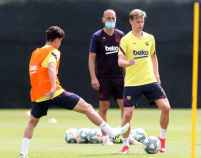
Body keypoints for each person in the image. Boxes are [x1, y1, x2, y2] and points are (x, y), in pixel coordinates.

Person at [19, 26, 129, 158]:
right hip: (54, 92)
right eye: (60, 41)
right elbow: (51, 67)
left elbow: (33, 73)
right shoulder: (54, 51)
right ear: (57, 40)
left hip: (38, 95)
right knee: (87, 108)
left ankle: (23, 154)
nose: (60, 44)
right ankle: (111, 132)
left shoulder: (35, 52)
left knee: (32, 122)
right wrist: (53, 87)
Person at [118, 9, 171, 154]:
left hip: (150, 81)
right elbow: (120, 61)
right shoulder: (125, 39)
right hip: (132, 83)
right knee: (127, 114)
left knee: (166, 108)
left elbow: (153, 57)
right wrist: (128, 62)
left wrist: (157, 75)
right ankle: (125, 144)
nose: (140, 24)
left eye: (142, 21)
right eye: (137, 21)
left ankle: (162, 141)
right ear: (131, 22)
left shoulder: (150, 38)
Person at [88, 9, 125, 145]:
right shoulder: (97, 36)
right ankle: (105, 137)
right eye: (108, 18)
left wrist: (128, 76)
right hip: (103, 77)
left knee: (125, 108)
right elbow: (91, 58)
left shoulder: (121, 35)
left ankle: (123, 137)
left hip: (119, 77)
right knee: (103, 107)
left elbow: (125, 57)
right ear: (103, 19)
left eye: (113, 18)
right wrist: (93, 77)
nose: (111, 20)